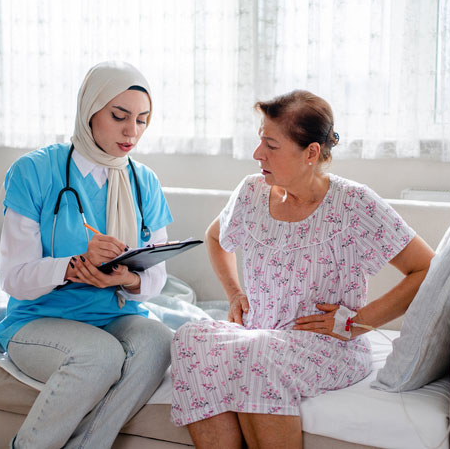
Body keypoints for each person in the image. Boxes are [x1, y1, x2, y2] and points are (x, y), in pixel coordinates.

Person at [170, 90, 435, 448]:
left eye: (271, 145)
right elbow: (215, 238)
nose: (257, 154)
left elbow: (426, 268)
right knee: (190, 339)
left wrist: (356, 324)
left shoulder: (353, 204)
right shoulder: (251, 193)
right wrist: (234, 292)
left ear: (311, 153)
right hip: (260, 334)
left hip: (327, 348)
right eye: (259, 140)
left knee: (257, 354)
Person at [0, 61, 174, 449]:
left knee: (160, 341)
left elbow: (156, 277)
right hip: (39, 319)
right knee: (100, 354)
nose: (132, 132)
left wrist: (126, 278)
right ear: (89, 110)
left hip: (115, 314)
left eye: (143, 120)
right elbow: (14, 278)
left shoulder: (144, 181)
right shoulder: (34, 171)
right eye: (119, 116)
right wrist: (76, 266)